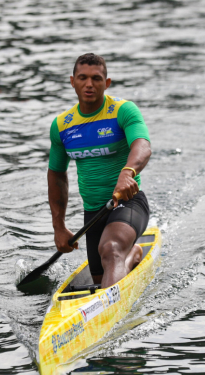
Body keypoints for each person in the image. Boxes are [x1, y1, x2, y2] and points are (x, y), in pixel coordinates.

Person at [47, 53, 152, 288]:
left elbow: (142, 146)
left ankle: (108, 305)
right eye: (82, 78)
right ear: (72, 81)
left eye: (96, 78)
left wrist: (127, 173)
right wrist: (59, 227)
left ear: (107, 83)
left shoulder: (123, 111)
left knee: (111, 249)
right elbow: (56, 175)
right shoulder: (62, 126)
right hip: (94, 213)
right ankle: (133, 254)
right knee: (101, 274)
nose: (89, 84)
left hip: (128, 202)